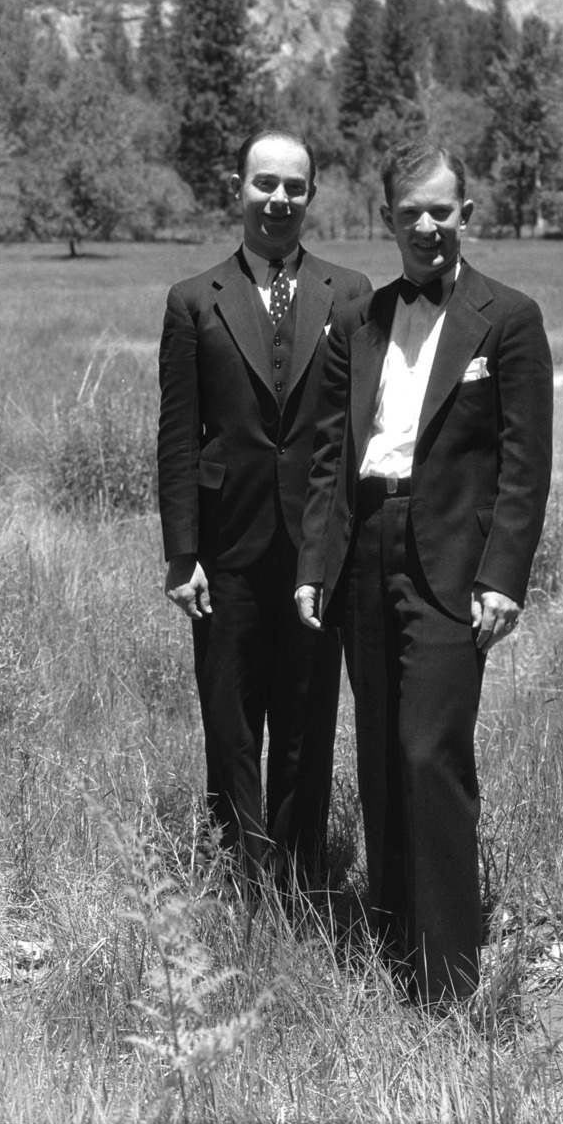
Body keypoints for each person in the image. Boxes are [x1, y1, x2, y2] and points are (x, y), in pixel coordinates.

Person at [295, 137, 553, 1006]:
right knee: (376, 753)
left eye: (442, 209)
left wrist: (504, 576)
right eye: (411, 213)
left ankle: (450, 977)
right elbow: (334, 453)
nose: (428, 225)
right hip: (366, 543)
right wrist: (316, 563)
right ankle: (396, 939)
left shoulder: (507, 318)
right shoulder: (360, 317)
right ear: (388, 222)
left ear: (467, 214)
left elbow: (524, 464)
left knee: (428, 749)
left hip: (449, 558)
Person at [157, 128, 371, 905]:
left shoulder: (351, 296)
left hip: (319, 547)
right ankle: (239, 879)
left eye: (294, 186)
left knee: (309, 720)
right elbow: (178, 436)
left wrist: (345, 544)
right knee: (231, 716)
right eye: (264, 183)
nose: (278, 199)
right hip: (227, 547)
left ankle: (301, 877)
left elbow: (355, 433)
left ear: (312, 195)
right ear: (237, 188)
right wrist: (183, 552)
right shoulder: (193, 300)